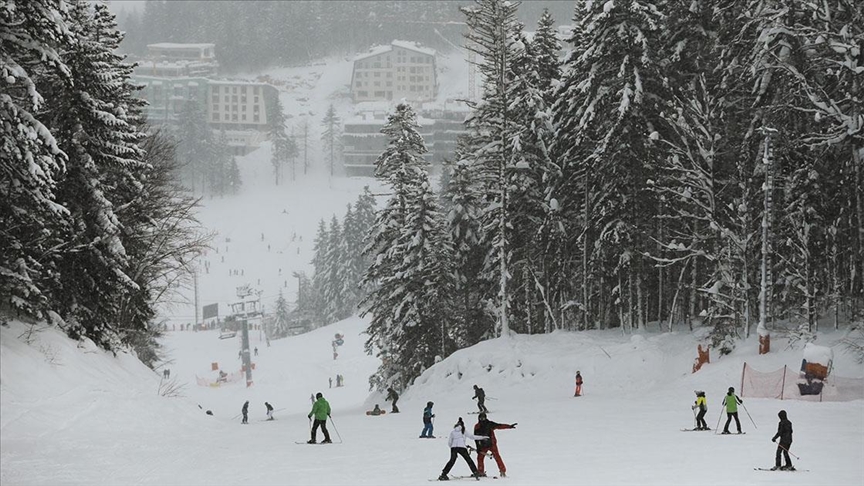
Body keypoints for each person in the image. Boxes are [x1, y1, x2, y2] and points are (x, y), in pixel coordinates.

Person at [473, 412, 516, 478]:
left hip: (491, 444)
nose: (482, 419)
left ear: (486, 418)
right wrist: (478, 447)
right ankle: (480, 472)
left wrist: (509, 426)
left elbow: (499, 426)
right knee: (480, 458)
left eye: (483, 418)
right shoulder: (477, 426)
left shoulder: (489, 424)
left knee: (497, 456)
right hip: (483, 445)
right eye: (481, 418)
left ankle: (502, 471)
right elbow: (476, 438)